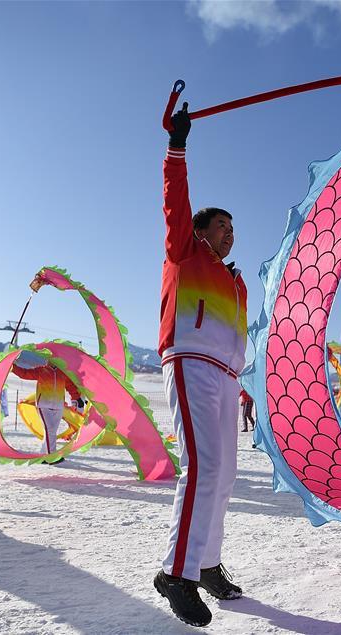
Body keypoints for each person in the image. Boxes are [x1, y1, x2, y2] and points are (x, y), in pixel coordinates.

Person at [153, 102, 247, 628]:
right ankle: (176, 572)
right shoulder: (184, 251)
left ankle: (206, 562)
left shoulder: (235, 281)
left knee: (226, 473)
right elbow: (175, 198)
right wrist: (177, 146)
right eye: (222, 224)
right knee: (203, 469)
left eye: (234, 228)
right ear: (201, 228)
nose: (229, 233)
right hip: (190, 363)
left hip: (227, 376)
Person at [11, 361, 82, 459]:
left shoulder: (63, 373)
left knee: (50, 432)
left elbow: (71, 387)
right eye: (49, 357)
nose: (51, 360)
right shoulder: (41, 370)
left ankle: (43, 455)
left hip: (58, 406)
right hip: (43, 405)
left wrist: (76, 398)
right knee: (50, 430)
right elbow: (24, 373)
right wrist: (12, 366)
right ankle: (51, 456)